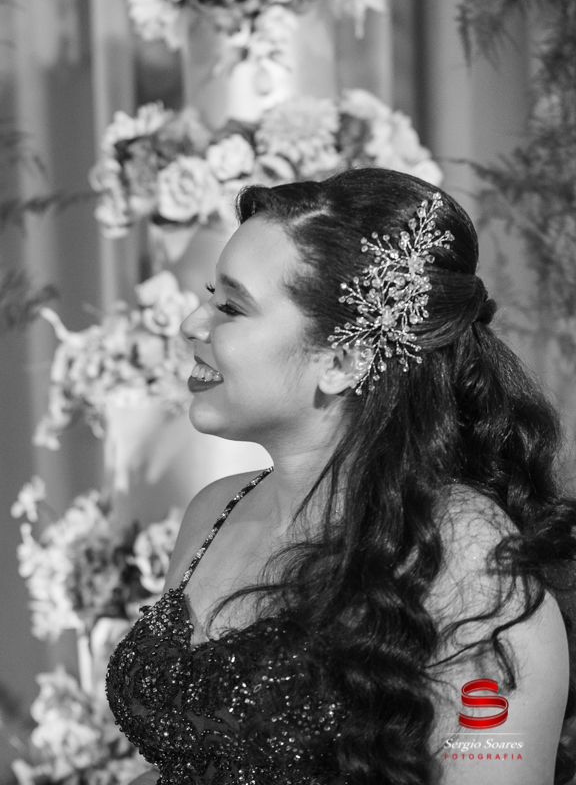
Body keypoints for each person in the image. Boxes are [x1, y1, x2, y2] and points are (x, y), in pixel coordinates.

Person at [106, 168, 576, 785]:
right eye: (208, 296)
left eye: (231, 307)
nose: (192, 324)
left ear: (343, 360)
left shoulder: (469, 557)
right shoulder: (213, 510)